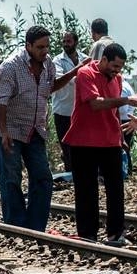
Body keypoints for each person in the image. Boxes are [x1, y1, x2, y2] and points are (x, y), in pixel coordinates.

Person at [0, 26, 88, 231]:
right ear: (28, 46)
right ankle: (16, 225)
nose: (44, 51)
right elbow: (0, 103)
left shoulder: (48, 65)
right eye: (40, 47)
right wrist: (4, 132)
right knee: (11, 178)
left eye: (47, 46)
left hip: (35, 129)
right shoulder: (11, 67)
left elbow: (50, 86)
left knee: (43, 177)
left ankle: (35, 227)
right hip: (10, 129)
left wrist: (75, 71)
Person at [64, 44, 137, 244]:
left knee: (116, 189)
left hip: (109, 141)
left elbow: (113, 111)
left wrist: (119, 137)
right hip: (83, 141)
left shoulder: (117, 79)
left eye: (120, 67)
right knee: (86, 189)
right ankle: (87, 234)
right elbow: (95, 104)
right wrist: (126, 100)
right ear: (105, 60)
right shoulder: (85, 73)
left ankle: (115, 233)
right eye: (115, 65)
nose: (117, 70)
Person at [51, 31, 88, 172]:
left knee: (82, 144)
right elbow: (61, 80)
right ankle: (70, 174)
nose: (66, 44)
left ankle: (81, 173)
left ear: (76, 42)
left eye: (69, 41)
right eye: (64, 41)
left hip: (81, 110)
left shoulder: (85, 59)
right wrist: (81, 76)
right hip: (63, 110)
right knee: (66, 145)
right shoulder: (57, 61)